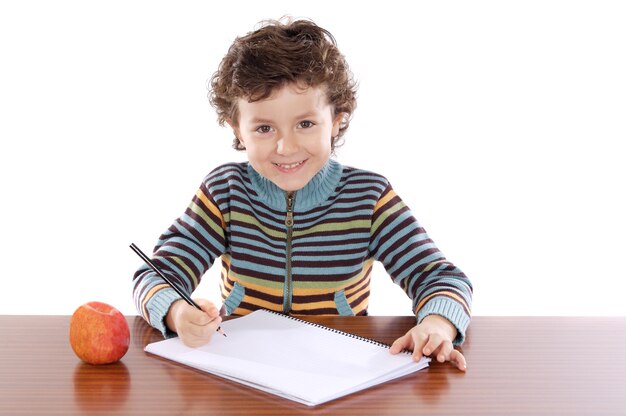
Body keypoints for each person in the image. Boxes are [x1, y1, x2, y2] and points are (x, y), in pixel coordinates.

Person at [133, 17, 473, 371]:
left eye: (305, 124)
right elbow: (154, 274)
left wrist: (437, 323)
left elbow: (441, 278)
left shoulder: (369, 198)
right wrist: (176, 312)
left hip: (339, 371)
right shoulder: (225, 193)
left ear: (337, 120)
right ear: (237, 128)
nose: (286, 146)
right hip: (247, 371)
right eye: (264, 128)